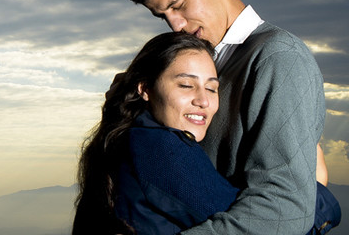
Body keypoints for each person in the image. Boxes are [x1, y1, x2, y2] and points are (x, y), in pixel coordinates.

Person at [122, 0, 338, 235]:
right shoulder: (198, 62)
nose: (175, 24)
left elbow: (285, 210)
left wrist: (317, 202)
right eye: (163, 15)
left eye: (179, 5)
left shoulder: (277, 56)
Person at [72, 31, 340, 235]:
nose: (203, 100)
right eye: (186, 85)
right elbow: (267, 222)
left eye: (212, 89)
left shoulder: (124, 139)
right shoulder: (161, 148)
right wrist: (317, 191)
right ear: (145, 89)